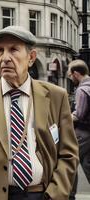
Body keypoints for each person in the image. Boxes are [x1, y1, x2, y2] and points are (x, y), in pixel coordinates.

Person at [0, 25, 79, 200]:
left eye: (13, 50)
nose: (5, 58)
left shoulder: (56, 96)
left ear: (31, 57)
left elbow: (69, 154)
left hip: (41, 194)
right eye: (0, 51)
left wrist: (54, 195)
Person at [67, 59, 90, 199]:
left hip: (82, 133)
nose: (70, 78)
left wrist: (64, 118)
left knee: (70, 160)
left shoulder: (82, 90)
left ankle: (70, 195)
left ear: (76, 73)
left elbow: (79, 114)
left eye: (70, 75)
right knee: (87, 163)